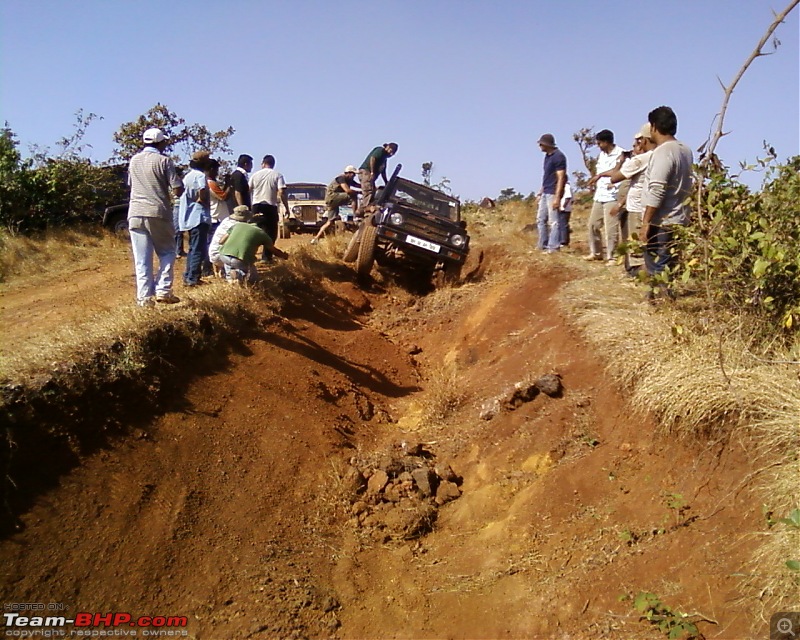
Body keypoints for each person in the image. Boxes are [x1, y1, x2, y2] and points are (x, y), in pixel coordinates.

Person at [126, 127, 184, 307]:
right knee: (167, 251)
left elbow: (131, 183)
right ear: (160, 143)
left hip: (135, 212)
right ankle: (163, 290)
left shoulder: (134, 160)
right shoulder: (164, 161)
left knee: (142, 258)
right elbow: (177, 189)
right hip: (158, 212)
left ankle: (144, 299)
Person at [592, 124, 657, 273]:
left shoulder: (641, 160)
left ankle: (639, 272)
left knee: (634, 243)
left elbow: (616, 176)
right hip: (634, 205)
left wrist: (622, 162)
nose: (635, 147)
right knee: (628, 237)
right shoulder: (656, 157)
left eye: (637, 143)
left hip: (635, 207)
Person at [641, 106, 693, 284]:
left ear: (654, 127)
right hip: (680, 218)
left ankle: (659, 303)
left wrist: (646, 223)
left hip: (662, 220)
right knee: (669, 266)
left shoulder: (663, 152)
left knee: (657, 267)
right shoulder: (685, 150)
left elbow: (658, 189)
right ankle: (665, 300)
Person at [219, 206, 289, 283]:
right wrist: (284, 256)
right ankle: (240, 274)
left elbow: (221, 241)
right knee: (253, 278)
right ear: (263, 227)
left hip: (223, 255)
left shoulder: (237, 225)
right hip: (239, 259)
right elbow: (273, 250)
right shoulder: (262, 234)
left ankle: (232, 279)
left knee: (231, 277)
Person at [586, 129, 625, 263]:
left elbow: (618, 172)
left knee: (611, 228)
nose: (598, 146)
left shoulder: (621, 154)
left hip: (613, 196)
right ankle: (596, 252)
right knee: (593, 224)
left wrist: (601, 176)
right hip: (600, 195)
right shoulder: (601, 156)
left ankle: (612, 256)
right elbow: (599, 172)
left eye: (600, 143)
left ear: (607, 142)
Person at [177, 150, 212, 287]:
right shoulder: (200, 176)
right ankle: (193, 278)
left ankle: (188, 275)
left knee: (193, 248)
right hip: (199, 216)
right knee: (199, 248)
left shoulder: (188, 176)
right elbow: (202, 191)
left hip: (189, 218)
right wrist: (203, 201)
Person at [249, 154, 288, 258]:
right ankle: (266, 257)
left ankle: (250, 255)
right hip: (270, 206)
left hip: (256, 205)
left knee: (254, 230)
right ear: (273, 164)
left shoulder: (255, 175)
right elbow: (281, 192)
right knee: (271, 232)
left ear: (263, 163)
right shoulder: (277, 175)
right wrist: (286, 207)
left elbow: (249, 190)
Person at [311, 165, 360, 244]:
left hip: (333, 202)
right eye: (353, 174)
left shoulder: (349, 180)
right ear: (349, 173)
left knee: (330, 222)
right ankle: (356, 216)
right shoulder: (341, 178)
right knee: (353, 196)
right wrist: (360, 192)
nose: (354, 176)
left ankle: (316, 239)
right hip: (332, 198)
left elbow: (359, 185)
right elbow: (347, 191)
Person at [535, 133, 567, 253]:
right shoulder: (548, 156)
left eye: (541, 144)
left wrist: (557, 197)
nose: (540, 146)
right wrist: (540, 192)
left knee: (554, 221)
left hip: (553, 192)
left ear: (546, 144)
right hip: (546, 191)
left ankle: (553, 247)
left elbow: (561, 177)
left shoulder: (559, 157)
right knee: (540, 219)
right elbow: (546, 177)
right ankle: (542, 244)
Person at [358, 142, 398, 215]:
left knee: (373, 191)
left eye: (393, 153)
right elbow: (372, 158)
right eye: (391, 151)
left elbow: (383, 171)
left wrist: (387, 182)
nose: (391, 154)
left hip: (370, 174)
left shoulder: (384, 159)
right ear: (388, 147)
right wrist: (372, 172)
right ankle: (365, 209)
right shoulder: (380, 151)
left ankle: (361, 210)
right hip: (366, 172)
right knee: (368, 191)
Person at [208, 205, 247, 279]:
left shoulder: (226, 220)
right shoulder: (237, 225)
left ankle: (221, 272)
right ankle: (233, 276)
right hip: (222, 256)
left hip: (213, 254)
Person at [558, 179, 573, 248]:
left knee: (563, 225)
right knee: (561, 225)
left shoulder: (567, 186)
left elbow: (568, 197)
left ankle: (563, 241)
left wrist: (563, 206)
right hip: (562, 208)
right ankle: (563, 240)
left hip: (564, 209)